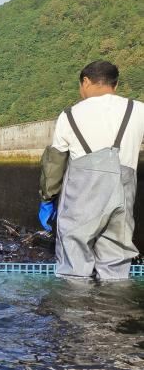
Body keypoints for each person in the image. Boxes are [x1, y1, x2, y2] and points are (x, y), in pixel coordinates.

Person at [38, 60, 144, 280]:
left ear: (85, 81)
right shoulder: (139, 110)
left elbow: (54, 163)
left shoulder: (69, 115)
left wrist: (48, 198)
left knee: (74, 262)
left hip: (82, 198)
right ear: (115, 84)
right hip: (124, 195)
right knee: (116, 263)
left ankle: (76, 313)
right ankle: (113, 312)